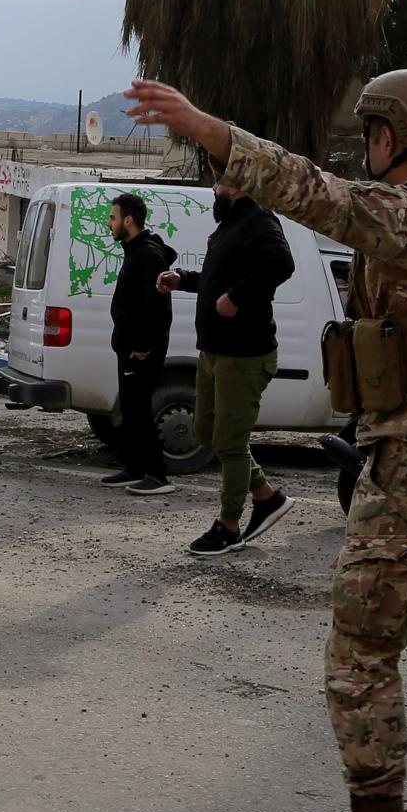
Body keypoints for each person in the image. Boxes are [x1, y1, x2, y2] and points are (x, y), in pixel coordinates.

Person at [126, 69, 407, 812]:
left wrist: (210, 129)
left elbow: (311, 190)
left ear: (390, 138)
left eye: (371, 137)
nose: (367, 151)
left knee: (362, 652)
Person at [155, 183, 296, 554]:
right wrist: (183, 280)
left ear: (236, 186)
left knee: (231, 443)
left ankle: (228, 526)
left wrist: (237, 297)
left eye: (219, 182)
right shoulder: (230, 225)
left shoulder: (259, 220)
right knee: (206, 431)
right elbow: (217, 280)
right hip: (214, 352)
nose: (214, 188)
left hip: (244, 355)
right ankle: (267, 496)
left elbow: (283, 264)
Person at [100, 192, 179, 496]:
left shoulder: (147, 255)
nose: (110, 223)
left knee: (140, 409)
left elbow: (154, 306)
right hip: (129, 344)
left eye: (113, 217)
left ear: (128, 220)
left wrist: (142, 344)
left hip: (142, 348)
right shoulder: (136, 250)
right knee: (130, 409)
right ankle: (135, 467)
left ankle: (157, 475)